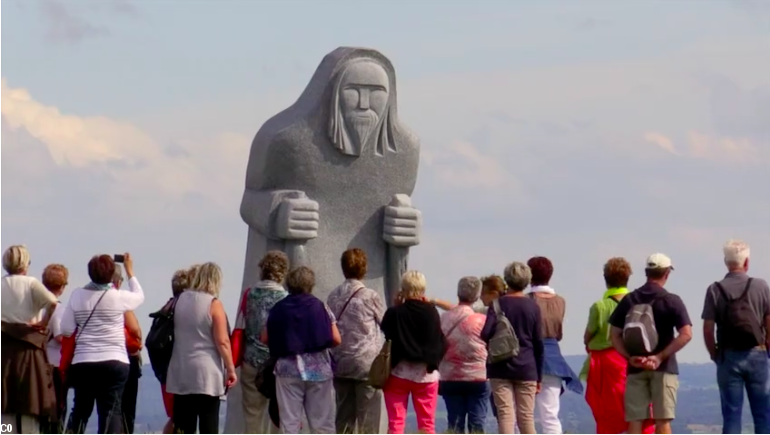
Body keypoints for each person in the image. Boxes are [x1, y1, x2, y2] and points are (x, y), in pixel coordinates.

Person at [609, 253, 693, 435]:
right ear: (666, 274)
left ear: (647, 273)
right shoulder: (671, 300)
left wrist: (629, 357)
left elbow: (614, 335)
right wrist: (660, 356)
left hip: (635, 368)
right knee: (662, 422)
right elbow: (686, 334)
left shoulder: (630, 299)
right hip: (664, 368)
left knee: (635, 422)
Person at [62, 253, 145, 434]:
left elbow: (66, 329)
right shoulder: (118, 296)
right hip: (115, 360)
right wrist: (130, 271)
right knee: (111, 410)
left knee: (81, 410)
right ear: (112, 275)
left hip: (84, 361)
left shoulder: (77, 295)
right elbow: (139, 296)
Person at [702, 239, 770, 434]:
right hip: (757, 354)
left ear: (726, 262)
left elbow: (708, 328)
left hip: (728, 356)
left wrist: (714, 353)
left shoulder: (715, 289)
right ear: (746, 262)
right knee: (763, 415)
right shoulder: (761, 286)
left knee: (731, 415)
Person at [264, 266, 341, 434]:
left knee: (289, 423)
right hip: (319, 371)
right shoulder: (321, 307)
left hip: (287, 370)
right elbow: (336, 338)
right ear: (311, 285)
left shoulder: (278, 308)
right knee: (322, 423)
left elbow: (264, 338)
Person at [581, 258, 654, 434]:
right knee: (639, 409)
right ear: (627, 278)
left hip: (605, 365)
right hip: (635, 361)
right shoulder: (638, 304)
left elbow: (587, 337)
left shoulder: (599, 306)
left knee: (607, 413)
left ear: (606, 279)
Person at [165, 262, 237, 434]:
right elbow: (222, 341)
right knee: (208, 424)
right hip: (207, 374)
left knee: (184, 424)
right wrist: (230, 368)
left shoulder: (179, 300)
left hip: (181, 370)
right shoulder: (214, 304)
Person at [327, 248, 386, 434]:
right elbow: (386, 323)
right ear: (364, 269)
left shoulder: (333, 296)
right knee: (368, 420)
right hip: (366, 364)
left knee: (344, 420)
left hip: (340, 362)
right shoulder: (371, 296)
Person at [1, 245, 59, 433]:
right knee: (30, 402)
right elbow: (52, 301)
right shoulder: (31, 283)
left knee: (5, 403)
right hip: (29, 347)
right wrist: (43, 322)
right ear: (25, 263)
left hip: (5, 347)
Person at [380, 270, 447, 434]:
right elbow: (440, 340)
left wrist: (395, 307)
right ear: (423, 289)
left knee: (396, 423)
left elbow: (386, 332)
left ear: (403, 289)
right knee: (427, 424)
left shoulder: (395, 313)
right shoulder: (432, 312)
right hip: (426, 374)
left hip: (398, 372)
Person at [481, 262, 543, 435]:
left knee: (506, 415)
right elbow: (538, 343)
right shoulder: (533, 307)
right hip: (527, 367)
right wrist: (538, 376)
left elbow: (485, 333)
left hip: (500, 366)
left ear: (507, 279)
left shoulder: (497, 305)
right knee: (526, 417)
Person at [527, 257, 582, 434]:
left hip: (528, 357)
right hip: (553, 359)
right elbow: (558, 333)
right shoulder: (561, 301)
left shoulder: (527, 300)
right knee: (550, 415)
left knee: (523, 414)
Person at [241, 251, 289, 434]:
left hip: (251, 359)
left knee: (253, 413)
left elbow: (242, 324)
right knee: (278, 413)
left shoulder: (250, 294)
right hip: (277, 363)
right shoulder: (285, 298)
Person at [439, 277, 488, 434]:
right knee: (477, 423)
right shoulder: (482, 320)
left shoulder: (444, 319)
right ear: (477, 296)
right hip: (478, 376)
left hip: (450, 376)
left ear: (458, 293)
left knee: (454, 422)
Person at [157, 268, 191, 435]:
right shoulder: (183, 310)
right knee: (180, 418)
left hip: (164, 371)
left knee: (176, 417)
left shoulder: (165, 309)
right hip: (179, 370)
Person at [112, 268, 143, 434]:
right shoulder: (120, 300)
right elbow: (134, 329)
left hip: (100, 358)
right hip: (125, 358)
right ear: (118, 281)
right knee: (126, 407)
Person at [41, 264, 70, 434]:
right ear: (62, 286)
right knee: (58, 407)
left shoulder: (39, 304)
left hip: (40, 362)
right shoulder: (57, 308)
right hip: (55, 363)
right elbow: (60, 337)